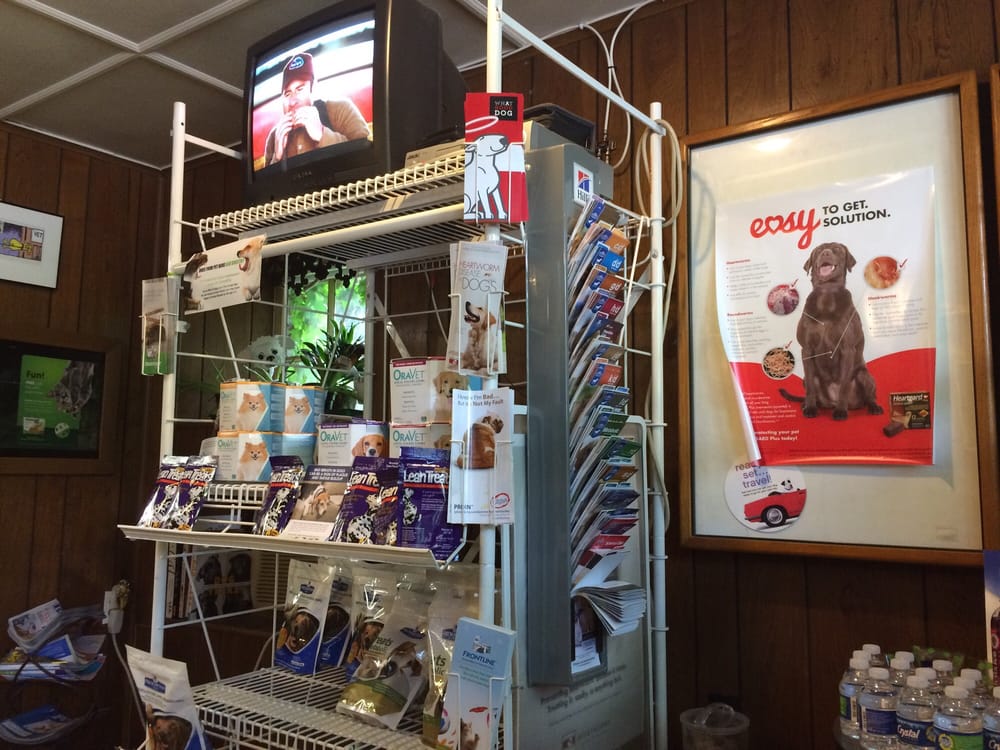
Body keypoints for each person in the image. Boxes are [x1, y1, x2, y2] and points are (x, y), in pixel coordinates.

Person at [264, 52, 370, 165]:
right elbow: (267, 176)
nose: (292, 101)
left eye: (299, 90)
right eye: (287, 94)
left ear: (313, 88)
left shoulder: (341, 109)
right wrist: (277, 157)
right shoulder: (274, 135)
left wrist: (322, 134)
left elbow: (366, 156)